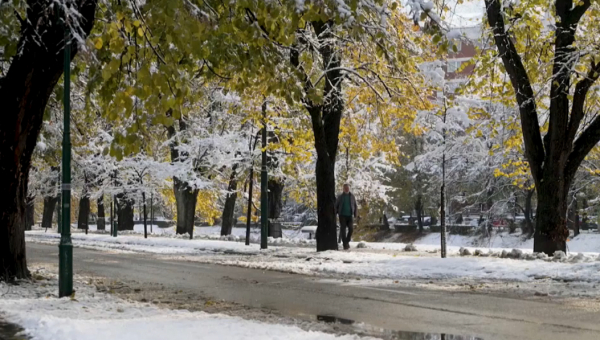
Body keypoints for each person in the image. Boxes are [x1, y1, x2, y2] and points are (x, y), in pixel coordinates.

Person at [335, 183, 357, 250]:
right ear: (343, 189)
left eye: (348, 188)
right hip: (342, 215)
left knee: (351, 229)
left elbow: (355, 205)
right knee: (343, 230)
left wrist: (355, 213)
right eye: (345, 188)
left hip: (350, 215)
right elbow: (336, 205)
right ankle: (345, 244)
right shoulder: (340, 197)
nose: (347, 189)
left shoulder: (352, 196)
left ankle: (347, 241)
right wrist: (336, 213)